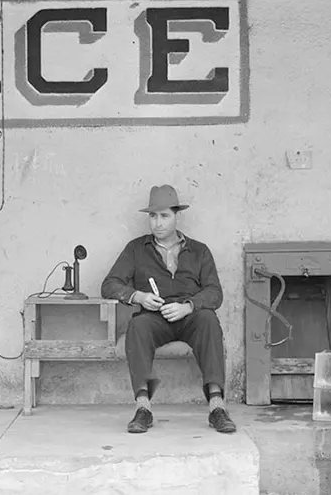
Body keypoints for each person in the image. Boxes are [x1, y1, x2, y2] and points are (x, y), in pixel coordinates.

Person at [101, 184, 237, 434]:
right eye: (153, 216)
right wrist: (138, 296)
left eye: (164, 216)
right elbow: (110, 285)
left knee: (208, 319)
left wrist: (188, 306)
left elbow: (214, 292)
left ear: (177, 216)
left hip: (190, 317)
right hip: (155, 318)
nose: (158, 223)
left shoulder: (199, 251)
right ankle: (143, 408)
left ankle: (217, 406)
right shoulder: (136, 249)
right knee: (137, 325)